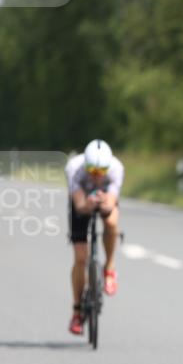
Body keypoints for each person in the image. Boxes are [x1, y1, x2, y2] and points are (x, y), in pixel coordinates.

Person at [65, 140, 125, 335]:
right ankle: (77, 311)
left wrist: (104, 204)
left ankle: (109, 268)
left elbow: (111, 204)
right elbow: (79, 206)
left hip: (105, 197)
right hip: (82, 200)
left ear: (108, 167)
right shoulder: (74, 168)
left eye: (102, 171)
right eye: (92, 170)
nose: (97, 175)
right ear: (86, 166)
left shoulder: (116, 168)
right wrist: (88, 205)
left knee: (111, 222)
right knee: (80, 257)